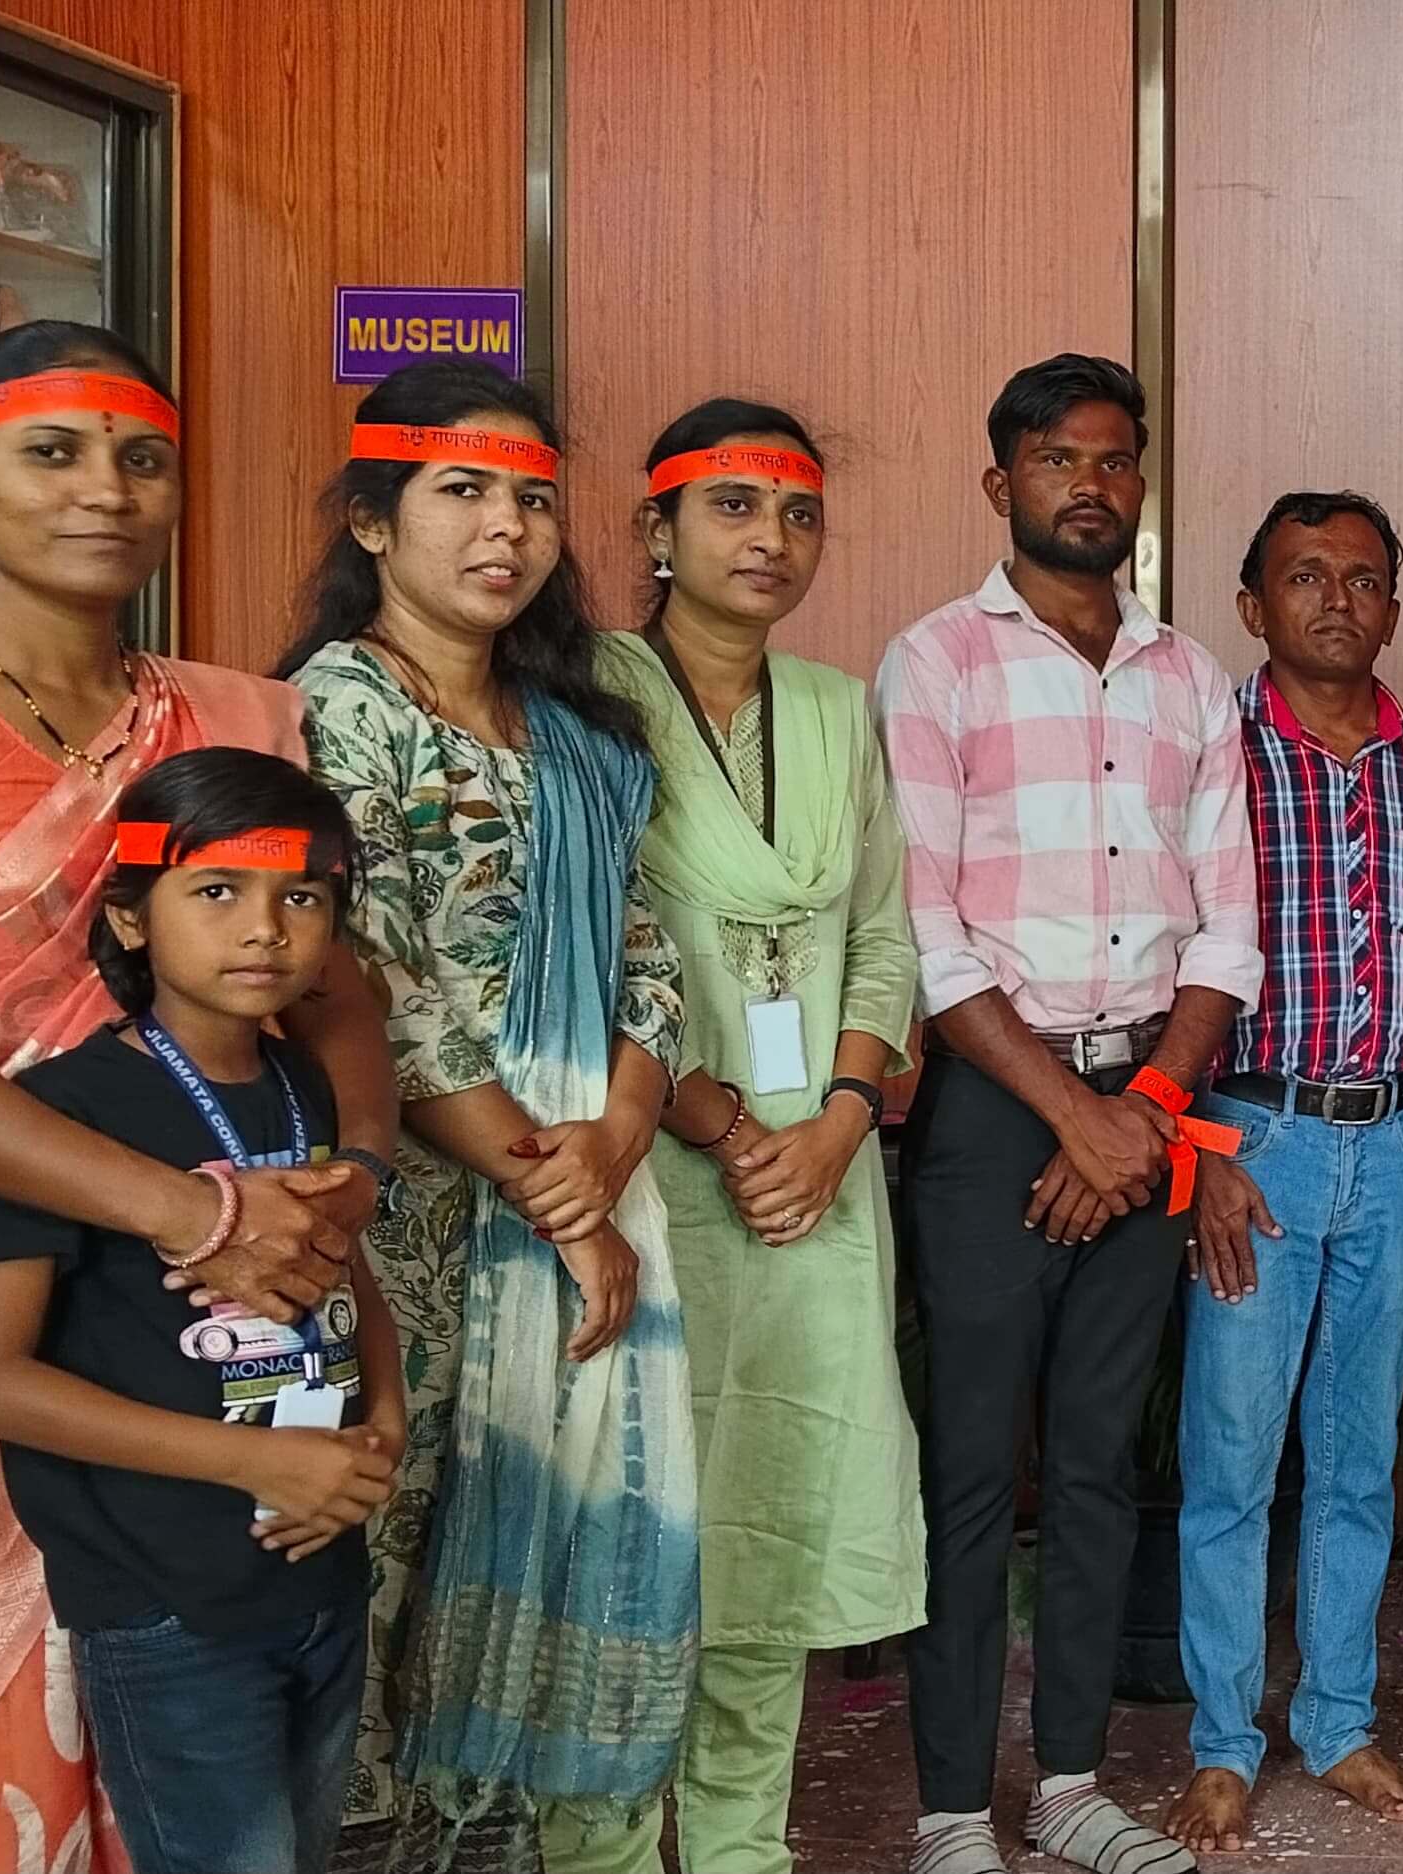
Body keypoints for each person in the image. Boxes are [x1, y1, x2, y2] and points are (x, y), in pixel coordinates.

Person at [0, 321, 389, 1874]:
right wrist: (188, 1210)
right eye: (52, 452)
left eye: (142, 458)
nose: (104, 489)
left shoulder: (242, 717)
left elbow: (338, 990)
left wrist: (348, 1178)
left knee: (201, 1662)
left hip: (209, 1281)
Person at [276, 359, 699, 1865]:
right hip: (394, 1214)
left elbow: (646, 957)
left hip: (573, 1187)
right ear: (373, 520)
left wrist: (615, 1141)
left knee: (530, 1522)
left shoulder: (576, 731)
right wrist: (558, 1193)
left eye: (532, 498)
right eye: (461, 491)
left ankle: (492, 1841)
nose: (505, 528)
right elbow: (376, 985)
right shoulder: (338, 708)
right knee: (383, 1540)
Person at [878, 353, 1253, 1874]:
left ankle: (1074, 1784)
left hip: (1145, 1102)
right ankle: (950, 1809)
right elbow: (925, 936)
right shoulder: (936, 662)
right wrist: (1073, 1119)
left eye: (1112, 459)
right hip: (992, 1108)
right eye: (1056, 459)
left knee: (1099, 1462)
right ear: (1002, 483)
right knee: (975, 1469)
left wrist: (1142, 1109)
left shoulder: (1190, 677)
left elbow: (1227, 931)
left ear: (1139, 484)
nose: (1088, 484)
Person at [0, 748, 402, 1874]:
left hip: (318, 1567)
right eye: (217, 891)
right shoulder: (63, 1112)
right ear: (130, 916)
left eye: (303, 897)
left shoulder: (306, 1085)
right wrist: (251, 1461)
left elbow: (345, 1270)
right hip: (165, 1601)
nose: (265, 929)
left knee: (299, 1849)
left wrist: (384, 1416)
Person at [601, 400, 924, 1873]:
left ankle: (741, 1846)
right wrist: (723, 1122)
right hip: (650, 1160)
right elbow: (578, 945)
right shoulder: (586, 698)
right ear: (657, 530)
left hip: (820, 1177)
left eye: (798, 512)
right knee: (634, 1519)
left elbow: (882, 935)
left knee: (779, 1514)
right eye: (732, 506)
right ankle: (605, 1849)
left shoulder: (837, 707)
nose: (770, 539)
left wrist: (844, 1118)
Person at [1162, 491, 1403, 1854]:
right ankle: (1222, 1742)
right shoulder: (1207, 748)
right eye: (1304, 576)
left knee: (1357, 1463)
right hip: (1257, 1145)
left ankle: (1338, 1720)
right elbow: (1165, 951)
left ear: (1392, 607)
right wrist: (1195, 1143)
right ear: (1252, 603)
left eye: (1361, 578)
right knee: (1231, 1464)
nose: (1336, 599)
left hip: (1398, 1148)